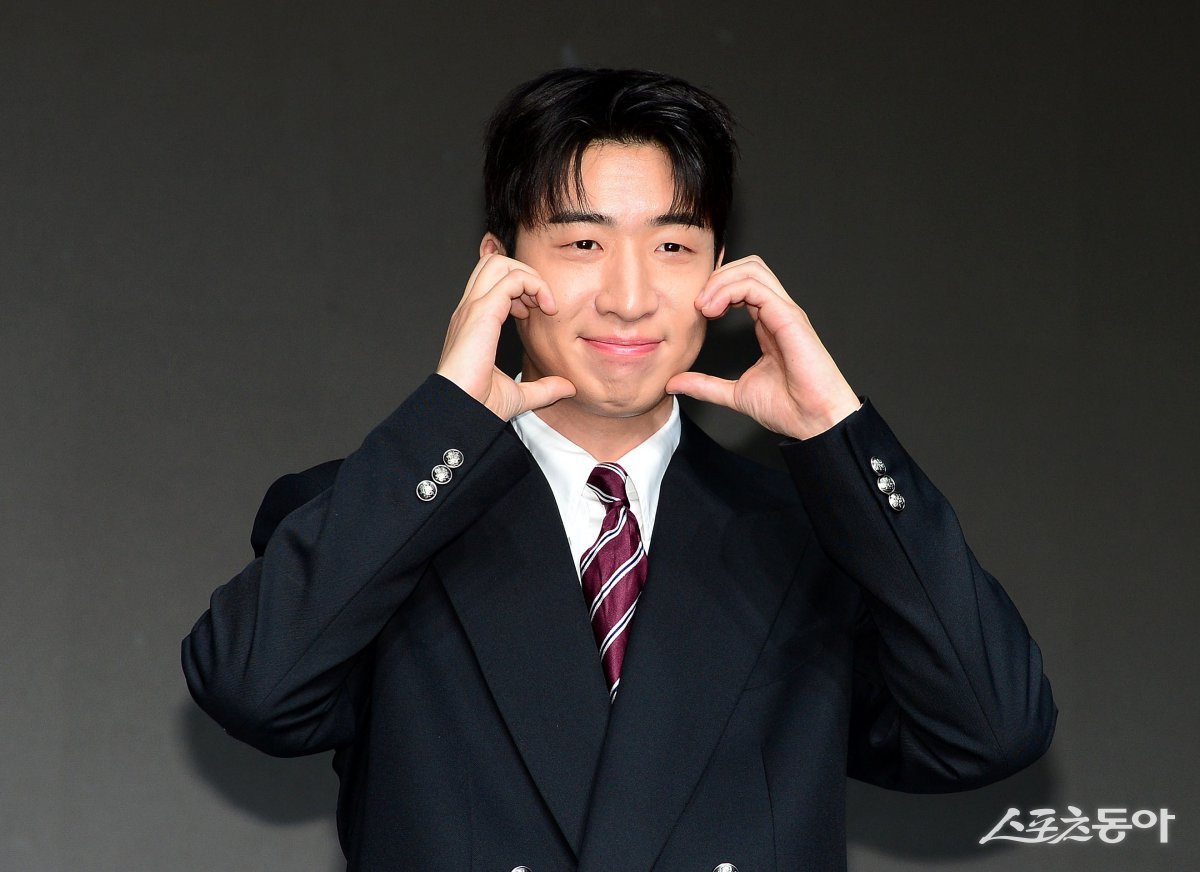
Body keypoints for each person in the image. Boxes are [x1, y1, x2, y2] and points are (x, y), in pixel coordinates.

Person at [183, 67, 1055, 871]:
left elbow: (992, 729)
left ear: (722, 272)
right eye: (583, 243)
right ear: (498, 269)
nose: (630, 298)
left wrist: (841, 436)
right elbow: (254, 690)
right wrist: (446, 420)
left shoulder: (810, 535)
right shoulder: (380, 514)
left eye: (673, 247)